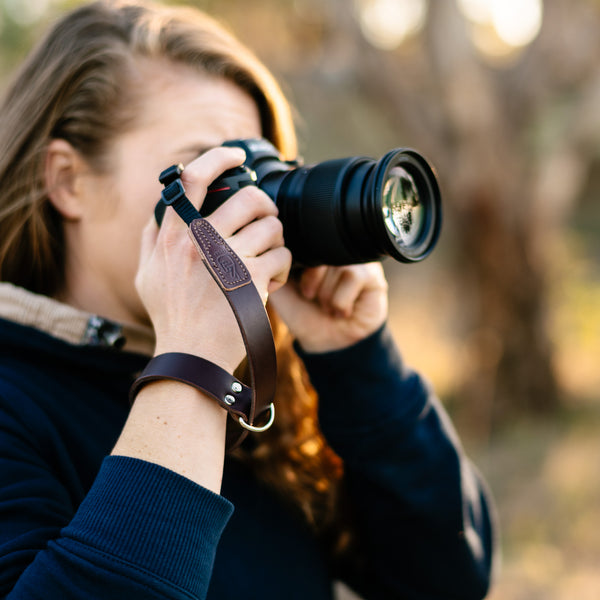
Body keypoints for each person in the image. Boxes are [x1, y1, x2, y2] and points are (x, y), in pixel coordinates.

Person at [0, 1, 496, 598]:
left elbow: (447, 581)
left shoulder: (260, 386)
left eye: (258, 169)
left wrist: (358, 362)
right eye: (210, 171)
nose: (249, 209)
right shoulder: (17, 401)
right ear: (68, 181)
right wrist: (193, 366)